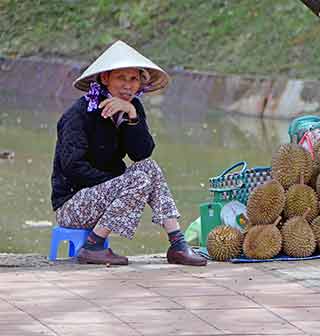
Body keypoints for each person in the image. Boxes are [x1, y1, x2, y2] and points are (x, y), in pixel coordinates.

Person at [50, 40, 207, 266]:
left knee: (149, 168)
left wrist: (132, 115)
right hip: (73, 206)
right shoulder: (79, 114)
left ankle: (177, 244)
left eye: (133, 79)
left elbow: (142, 153)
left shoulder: (132, 107)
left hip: (109, 196)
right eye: (121, 78)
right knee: (139, 179)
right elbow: (73, 168)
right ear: (105, 79)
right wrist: (121, 183)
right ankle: (93, 246)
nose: (128, 86)